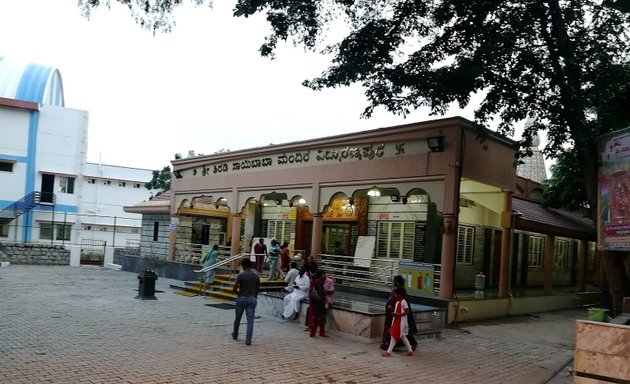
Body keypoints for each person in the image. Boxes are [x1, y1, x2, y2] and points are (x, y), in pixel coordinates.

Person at [380, 275, 418, 351]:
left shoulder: (402, 300)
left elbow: (406, 311)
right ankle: (390, 351)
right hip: (395, 317)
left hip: (401, 319)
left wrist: (397, 314)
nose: (394, 295)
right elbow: (393, 301)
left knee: (401, 334)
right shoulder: (398, 297)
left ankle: (410, 348)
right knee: (397, 334)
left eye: (394, 280)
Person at [232, 258, 260, 346]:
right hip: (252, 298)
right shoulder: (256, 276)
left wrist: (238, 293)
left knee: (238, 318)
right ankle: (248, 340)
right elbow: (257, 289)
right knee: (250, 321)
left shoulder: (241, 275)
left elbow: (234, 288)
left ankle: (235, 334)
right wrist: (254, 296)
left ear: (243, 266)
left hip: (242, 298)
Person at [381, 287, 414, 357]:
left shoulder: (403, 301)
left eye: (395, 293)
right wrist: (393, 310)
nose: (394, 295)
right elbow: (399, 310)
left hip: (401, 322)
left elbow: (408, 311)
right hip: (397, 321)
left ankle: (388, 352)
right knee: (402, 336)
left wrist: (398, 314)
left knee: (394, 336)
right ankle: (410, 350)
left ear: (399, 294)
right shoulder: (398, 301)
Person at [309, 270, 329, 338]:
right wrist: (327, 291)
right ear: (320, 275)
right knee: (320, 318)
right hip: (320, 303)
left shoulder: (317, 281)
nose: (325, 275)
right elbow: (321, 291)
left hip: (317, 303)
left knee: (317, 318)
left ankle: (314, 333)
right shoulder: (319, 282)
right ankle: (318, 333)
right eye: (323, 274)